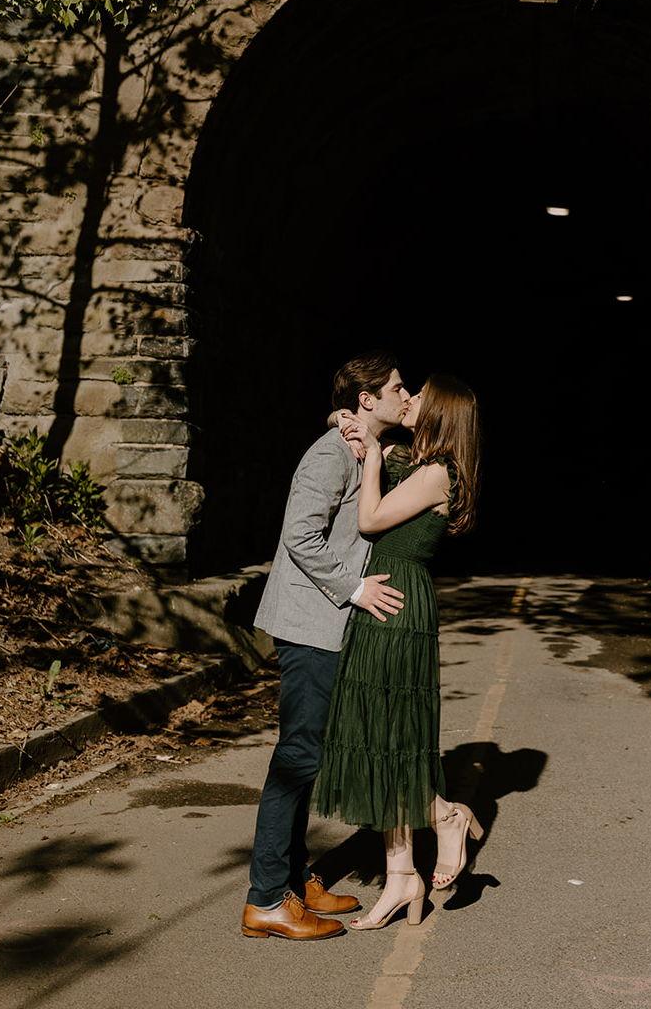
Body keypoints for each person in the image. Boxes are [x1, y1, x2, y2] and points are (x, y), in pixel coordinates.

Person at [240, 351, 412, 942]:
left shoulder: (359, 446)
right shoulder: (331, 451)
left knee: (308, 756)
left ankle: (290, 878)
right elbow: (300, 537)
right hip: (311, 623)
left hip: (327, 624)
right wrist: (355, 587)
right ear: (367, 399)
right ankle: (266, 899)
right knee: (296, 758)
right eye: (396, 387)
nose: (404, 393)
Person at [314, 374, 485, 930]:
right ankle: (402, 875)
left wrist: (368, 461)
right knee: (383, 732)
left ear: (440, 414)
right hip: (385, 598)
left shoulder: (439, 472)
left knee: (389, 734)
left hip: (397, 602)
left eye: (419, 397)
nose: (408, 399)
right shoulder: (415, 457)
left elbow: (370, 520)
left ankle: (445, 816)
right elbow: (357, 433)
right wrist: (354, 429)